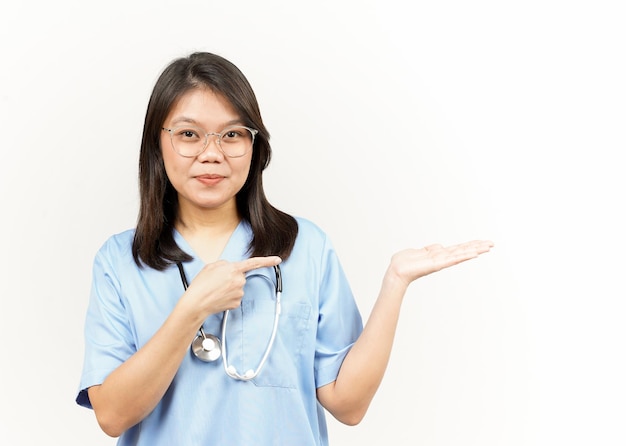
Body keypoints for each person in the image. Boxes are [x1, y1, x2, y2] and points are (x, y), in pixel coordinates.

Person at [75, 51, 494, 446]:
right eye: (189, 134)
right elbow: (112, 415)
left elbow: (348, 405)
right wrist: (192, 308)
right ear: (157, 143)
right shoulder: (119, 261)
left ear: (254, 146)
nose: (212, 154)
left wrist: (395, 283)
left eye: (233, 135)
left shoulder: (306, 246)